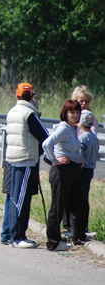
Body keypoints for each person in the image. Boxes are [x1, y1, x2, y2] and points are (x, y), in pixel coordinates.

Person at [0, 83, 49, 248]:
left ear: (17, 95)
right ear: (32, 97)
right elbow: (44, 136)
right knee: (21, 199)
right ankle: (17, 237)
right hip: (26, 159)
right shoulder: (29, 113)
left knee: (14, 198)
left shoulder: (12, 111)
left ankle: (11, 236)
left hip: (13, 159)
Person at [42, 100, 90, 251]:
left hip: (73, 171)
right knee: (57, 207)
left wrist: (78, 157)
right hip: (62, 171)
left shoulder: (73, 128)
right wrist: (55, 161)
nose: (75, 115)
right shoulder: (63, 128)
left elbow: (73, 148)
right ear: (65, 113)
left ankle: (79, 238)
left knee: (81, 205)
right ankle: (53, 242)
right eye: (72, 112)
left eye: (77, 113)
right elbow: (46, 144)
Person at [70, 110, 99, 239]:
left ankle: (77, 229)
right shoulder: (94, 137)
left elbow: (80, 156)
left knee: (78, 199)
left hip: (82, 170)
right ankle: (83, 227)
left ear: (80, 123)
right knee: (85, 196)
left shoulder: (82, 138)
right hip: (90, 170)